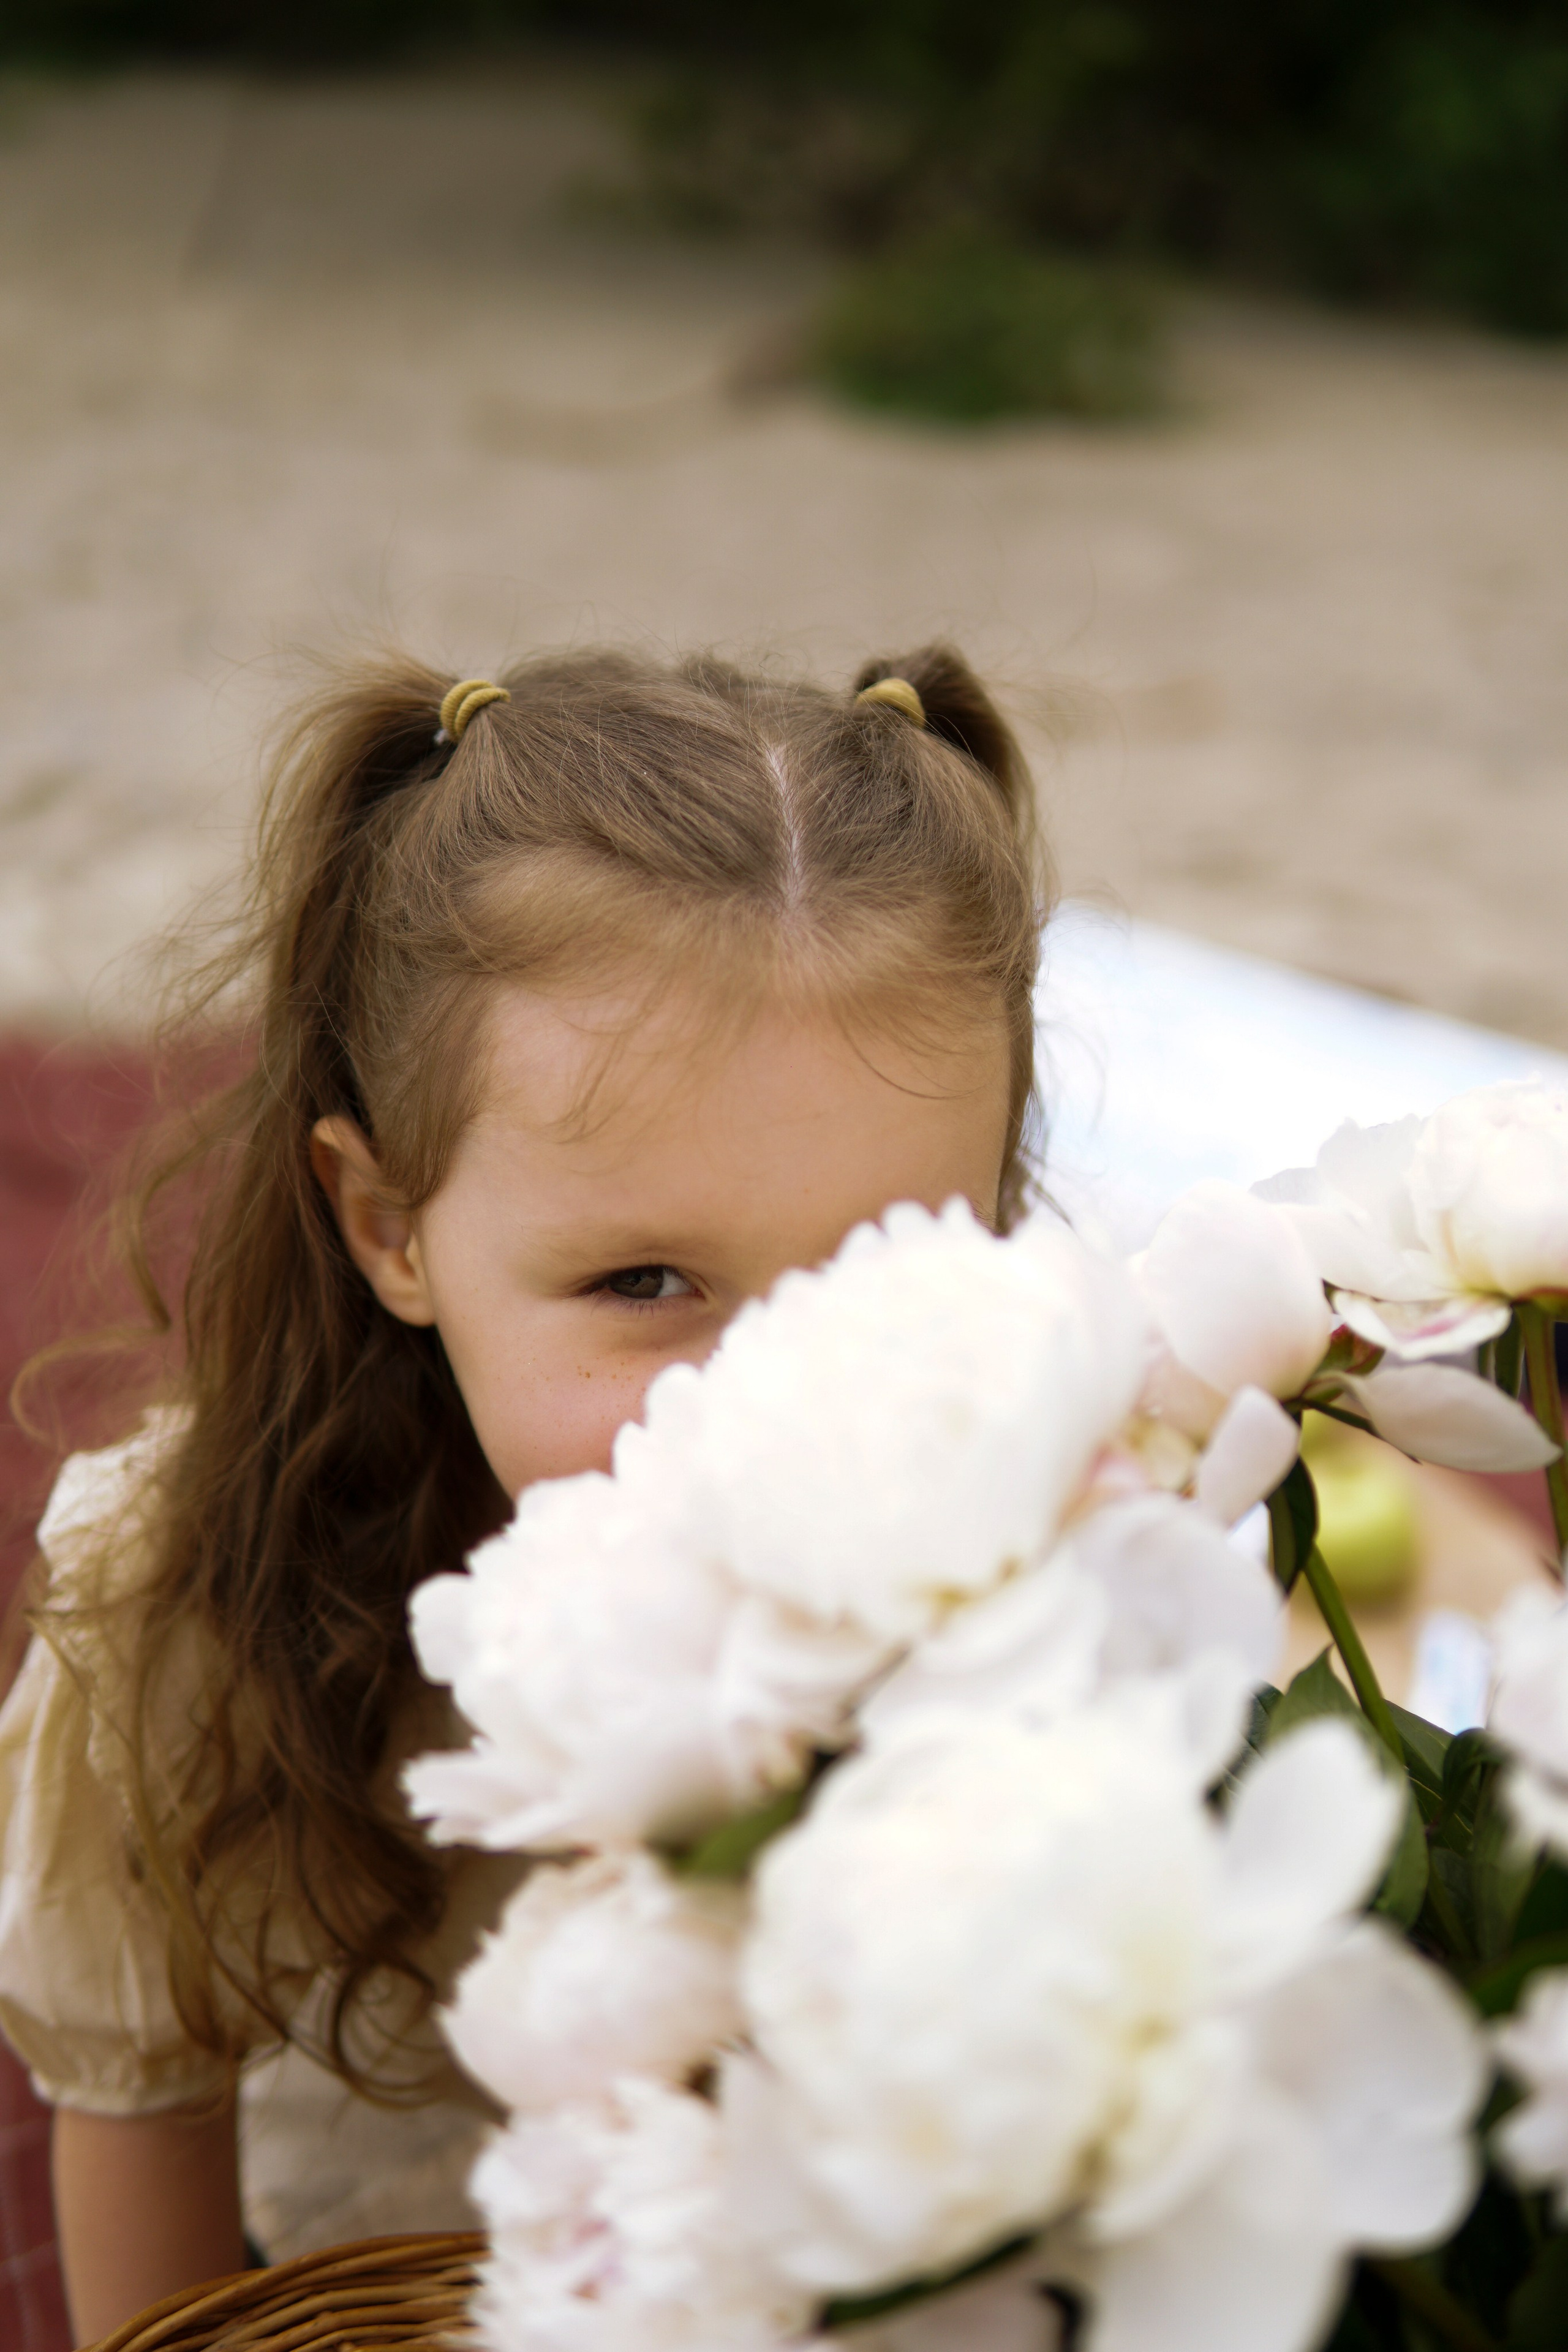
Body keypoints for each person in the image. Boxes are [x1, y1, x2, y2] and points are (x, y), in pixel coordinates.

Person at [0, 644, 1046, 2343]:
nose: (760, 1407)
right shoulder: (191, 1597)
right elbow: (154, 2203)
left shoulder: (1060, 1550)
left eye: (878, 1265)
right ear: (390, 1225)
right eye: (646, 1284)